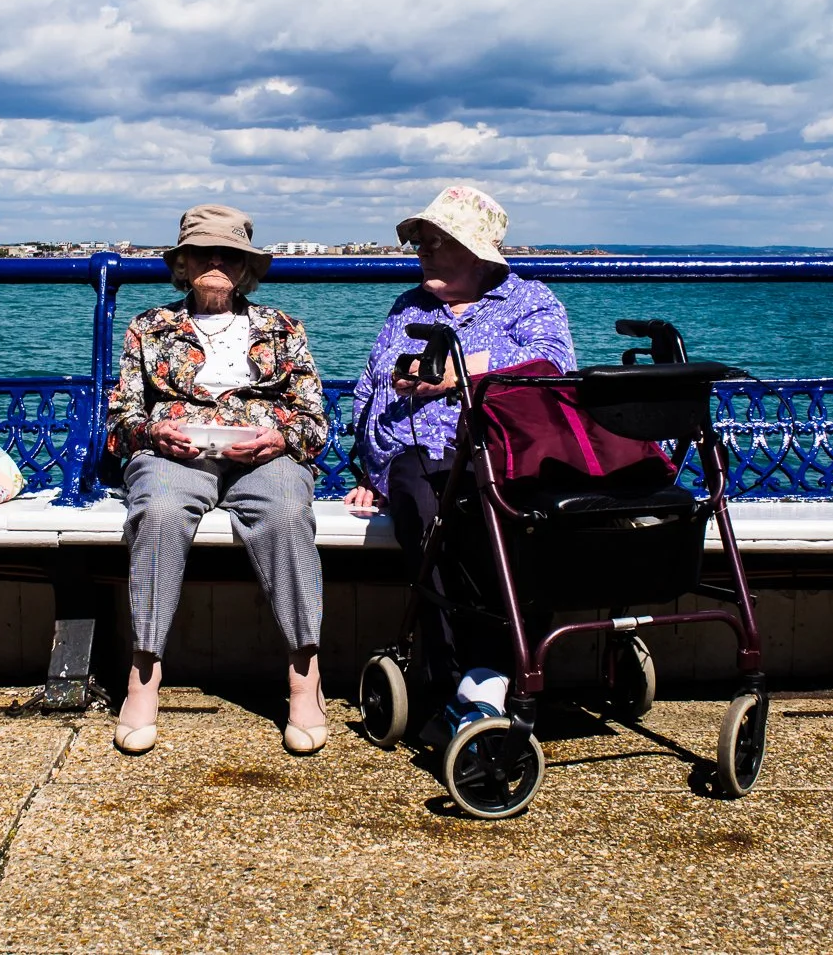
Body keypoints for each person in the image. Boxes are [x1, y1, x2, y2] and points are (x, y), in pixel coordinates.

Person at [106, 205, 331, 755]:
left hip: (264, 455)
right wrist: (156, 432)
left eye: (228, 253)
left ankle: (306, 676)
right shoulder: (149, 327)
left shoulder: (282, 328)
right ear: (182, 263)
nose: (215, 262)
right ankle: (144, 674)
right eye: (202, 252)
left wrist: (280, 438)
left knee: (286, 513)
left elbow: (315, 419)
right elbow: (121, 419)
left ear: (246, 266)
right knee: (157, 512)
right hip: (175, 456)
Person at [343, 185, 576, 694]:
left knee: (491, 524)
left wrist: (455, 373)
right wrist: (366, 470)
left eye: (435, 241)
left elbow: (554, 366)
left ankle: (494, 673)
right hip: (409, 454)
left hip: (495, 450)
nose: (422, 251)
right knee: (428, 515)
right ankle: (455, 680)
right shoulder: (408, 307)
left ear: (476, 252)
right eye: (420, 241)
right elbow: (370, 384)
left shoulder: (528, 300)